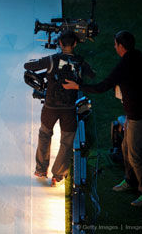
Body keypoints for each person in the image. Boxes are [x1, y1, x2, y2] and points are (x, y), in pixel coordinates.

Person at [63, 30, 142, 206]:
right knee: (125, 148)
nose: (114, 47)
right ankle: (130, 181)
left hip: (140, 118)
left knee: (135, 154)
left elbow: (102, 86)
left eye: (115, 44)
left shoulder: (124, 67)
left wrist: (78, 85)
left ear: (121, 46)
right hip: (138, 114)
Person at [24, 30, 95, 187]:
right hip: (69, 109)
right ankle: (58, 175)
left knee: (44, 135)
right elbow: (92, 75)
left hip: (50, 107)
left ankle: (41, 170)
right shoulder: (80, 62)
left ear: (60, 43)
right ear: (75, 44)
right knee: (67, 141)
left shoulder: (52, 60)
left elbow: (28, 66)